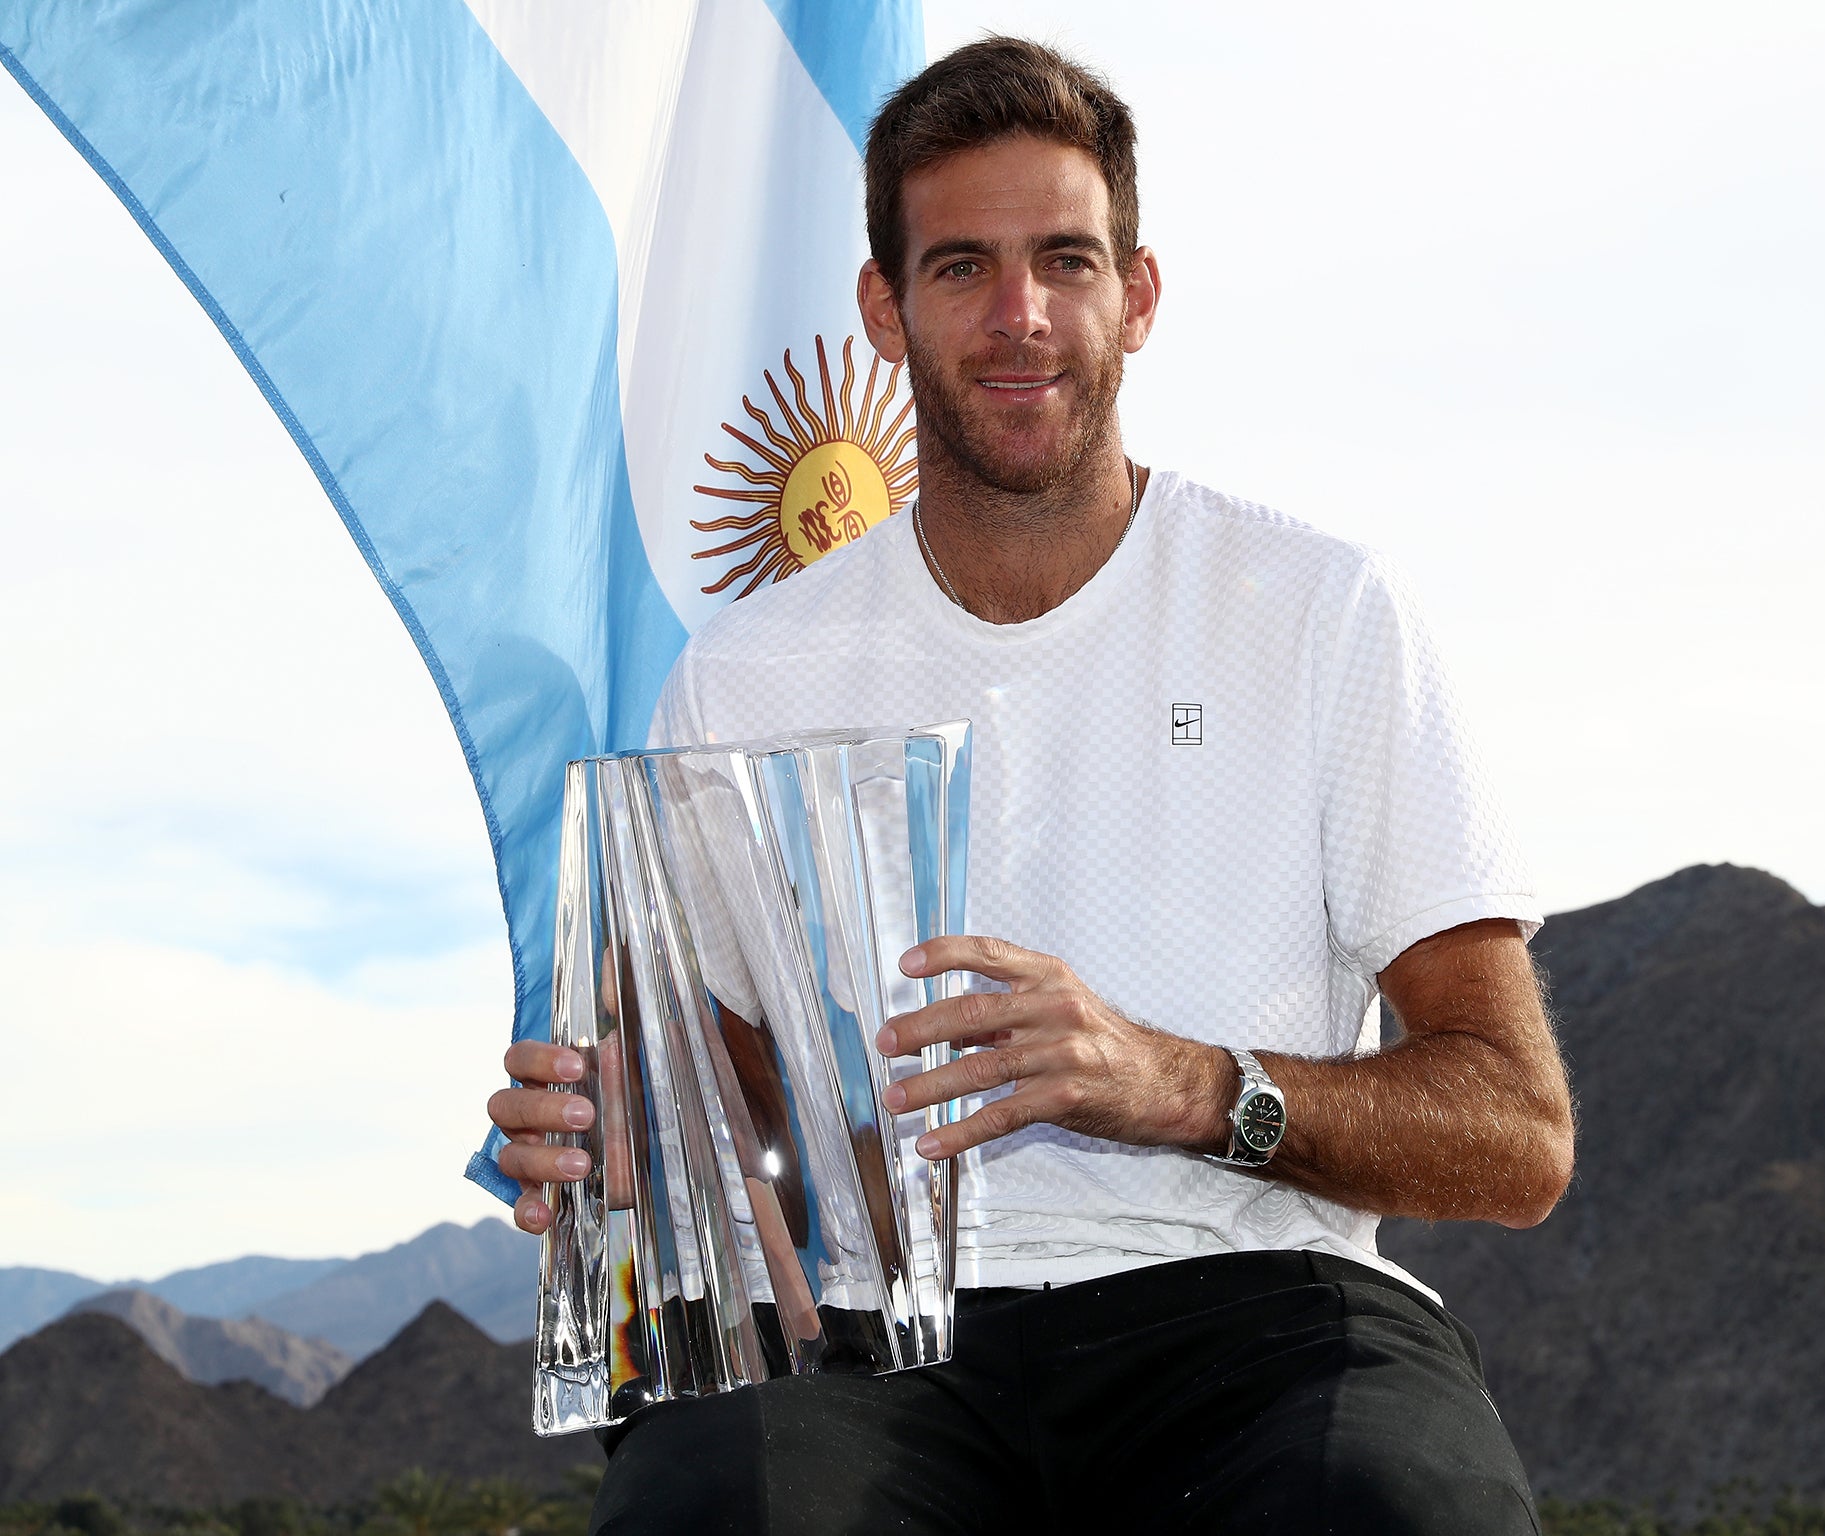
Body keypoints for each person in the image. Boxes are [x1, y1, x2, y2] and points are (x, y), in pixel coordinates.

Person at [489, 37, 1573, 1536]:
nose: (1020, 317)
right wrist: (631, 1140)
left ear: (1137, 293)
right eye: (961, 268)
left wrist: (1185, 1086)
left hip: (1263, 1305)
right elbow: (742, 1135)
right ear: (885, 309)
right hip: (881, 1340)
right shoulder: (745, 679)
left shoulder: (1318, 611)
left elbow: (1518, 1132)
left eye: (1065, 260)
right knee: (706, 1509)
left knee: (1399, 1513)